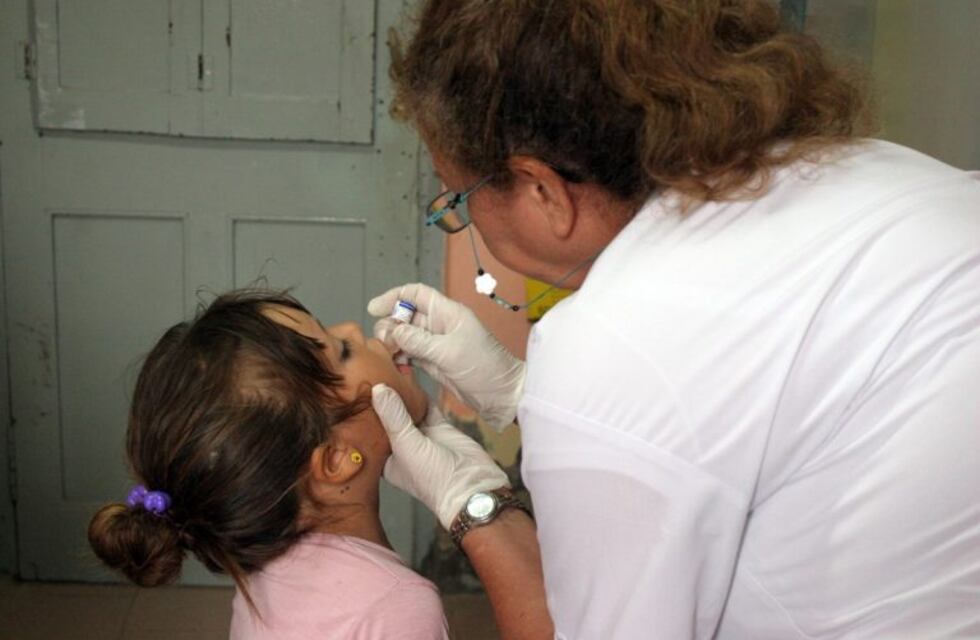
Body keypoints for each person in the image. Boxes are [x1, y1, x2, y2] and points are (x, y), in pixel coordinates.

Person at [368, 0, 980, 638]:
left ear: (542, 190)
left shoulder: (619, 339)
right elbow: (756, 405)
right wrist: (530, 395)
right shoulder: (876, 172)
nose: (460, 219)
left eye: (458, 198)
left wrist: (476, 502)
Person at [87, 289, 507, 639]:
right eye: (342, 351)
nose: (352, 329)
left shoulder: (261, 562)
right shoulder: (396, 608)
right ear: (338, 460)